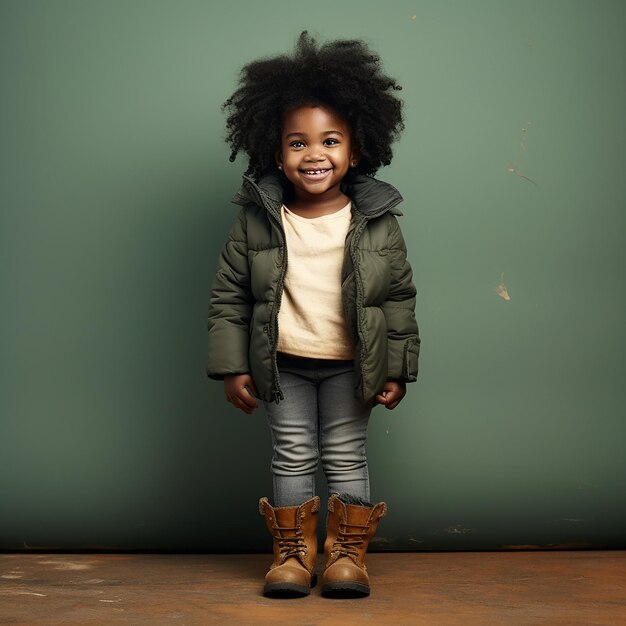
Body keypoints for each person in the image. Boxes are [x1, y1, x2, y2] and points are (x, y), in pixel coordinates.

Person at [207, 31, 420, 598]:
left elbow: (397, 298)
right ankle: (292, 557)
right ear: (277, 153)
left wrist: (397, 367)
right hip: (284, 363)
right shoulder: (259, 218)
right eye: (298, 144)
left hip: (354, 364)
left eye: (330, 140)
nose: (315, 154)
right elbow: (230, 294)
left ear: (355, 148)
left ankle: (347, 557)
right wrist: (232, 365)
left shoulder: (376, 220)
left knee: (347, 455)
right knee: (292, 454)